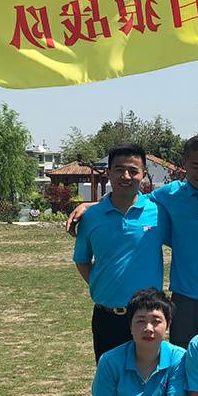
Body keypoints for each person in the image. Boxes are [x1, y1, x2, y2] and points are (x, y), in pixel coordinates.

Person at [67, 136, 198, 349]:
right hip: (137, 309)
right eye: (119, 170)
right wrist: (92, 206)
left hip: (193, 303)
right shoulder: (164, 198)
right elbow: (125, 200)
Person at [73, 143, 171, 363]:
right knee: (110, 379)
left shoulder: (158, 213)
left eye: (133, 171)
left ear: (143, 174)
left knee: (148, 378)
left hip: (147, 319)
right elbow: (82, 260)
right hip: (107, 317)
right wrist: (103, 285)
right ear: (108, 172)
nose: (126, 176)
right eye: (119, 170)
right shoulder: (91, 217)